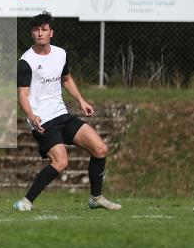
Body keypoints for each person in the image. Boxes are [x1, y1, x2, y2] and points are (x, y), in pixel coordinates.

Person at [13, 11, 121, 212]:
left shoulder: (60, 54)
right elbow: (22, 95)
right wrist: (31, 116)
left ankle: (96, 198)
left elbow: (66, 79)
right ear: (32, 33)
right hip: (42, 120)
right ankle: (26, 201)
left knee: (100, 149)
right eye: (36, 30)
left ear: (51, 33)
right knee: (61, 161)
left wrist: (81, 101)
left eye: (44, 29)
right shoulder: (25, 61)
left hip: (61, 115)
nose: (40, 33)